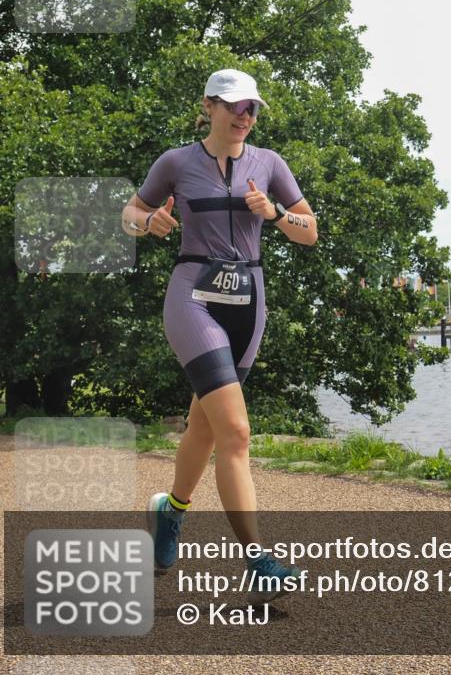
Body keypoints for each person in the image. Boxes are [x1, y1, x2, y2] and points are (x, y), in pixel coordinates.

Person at [121, 69, 318, 603]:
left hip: (249, 302)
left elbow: (310, 231)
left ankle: (170, 511)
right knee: (236, 431)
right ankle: (258, 560)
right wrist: (146, 224)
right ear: (208, 106)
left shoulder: (270, 163)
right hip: (193, 296)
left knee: (204, 429)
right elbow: (131, 212)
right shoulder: (176, 162)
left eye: (252, 108)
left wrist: (275, 213)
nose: (244, 117)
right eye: (234, 106)